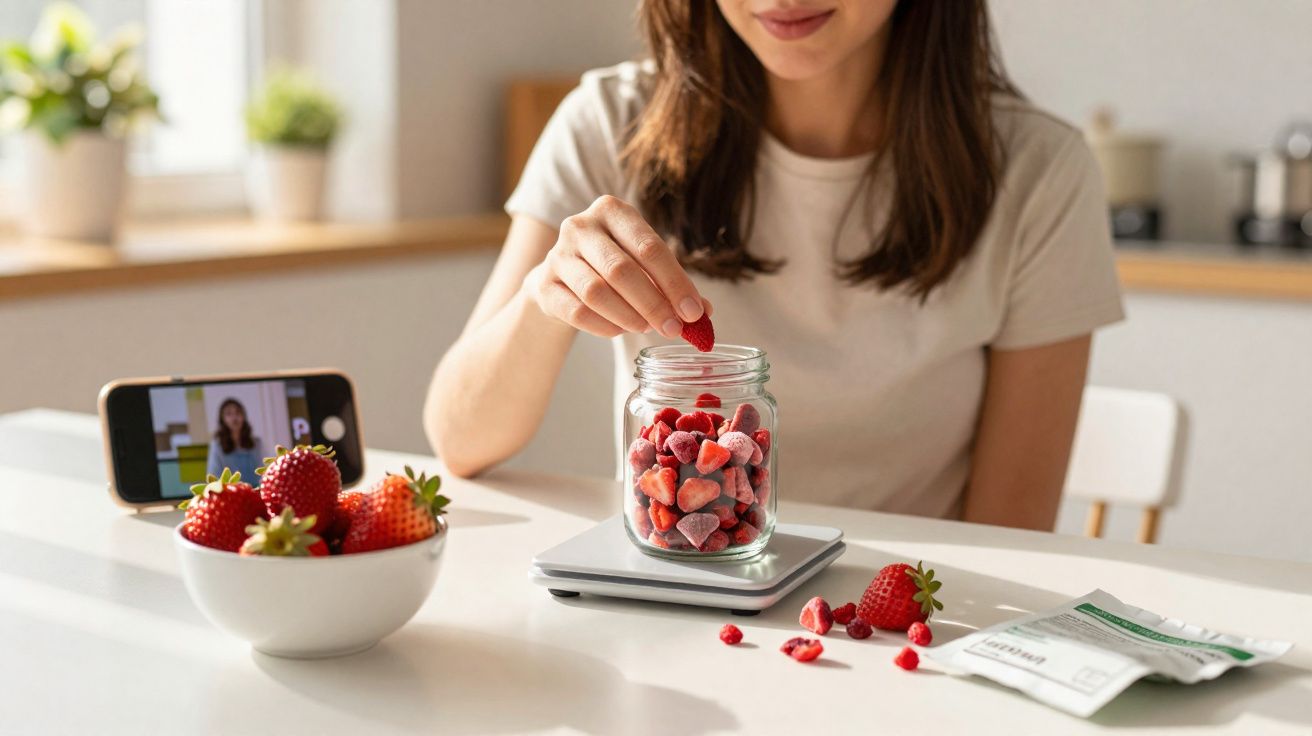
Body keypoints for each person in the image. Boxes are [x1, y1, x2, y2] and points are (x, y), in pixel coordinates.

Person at [425, 0, 1124, 531]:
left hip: (899, 628)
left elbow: (1010, 533)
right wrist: (544, 300)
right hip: (680, 595)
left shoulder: (1039, 172)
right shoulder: (609, 122)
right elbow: (459, 441)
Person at [207, 398, 266, 481]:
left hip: (255, 491)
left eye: (238, 412)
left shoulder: (256, 443)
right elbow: (213, 476)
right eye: (229, 414)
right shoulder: (217, 446)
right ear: (222, 419)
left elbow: (264, 472)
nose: (234, 418)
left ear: (243, 416)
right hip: (230, 492)